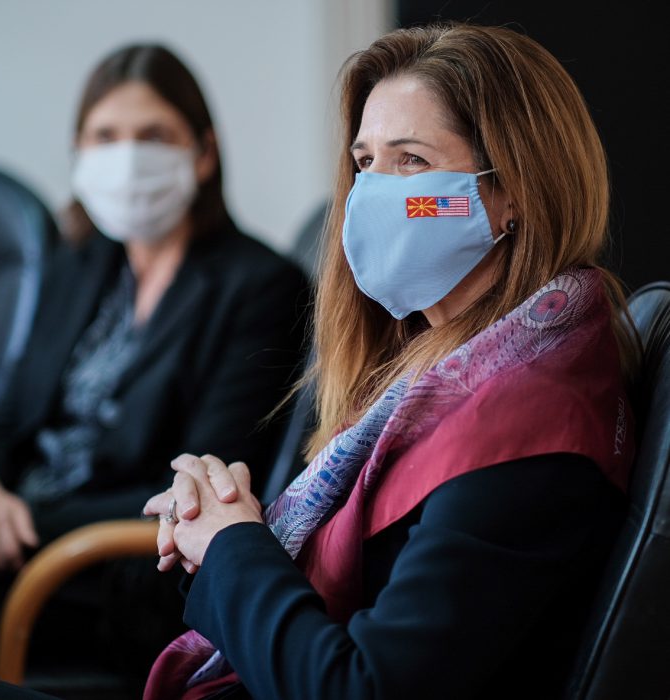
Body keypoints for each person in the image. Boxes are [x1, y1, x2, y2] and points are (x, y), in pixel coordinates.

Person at [138, 22, 640, 700]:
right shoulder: (422, 371)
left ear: (514, 192)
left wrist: (232, 546)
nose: (372, 192)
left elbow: (362, 688)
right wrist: (219, 524)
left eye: (411, 161)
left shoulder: (530, 428)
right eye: (365, 162)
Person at [0, 43, 309, 684]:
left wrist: (13, 524)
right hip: (10, 531)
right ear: (78, 153)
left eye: (153, 135)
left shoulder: (263, 287)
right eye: (105, 137)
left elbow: (199, 482)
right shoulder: (79, 262)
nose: (127, 157)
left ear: (203, 153)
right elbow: (10, 417)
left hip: (117, 567)